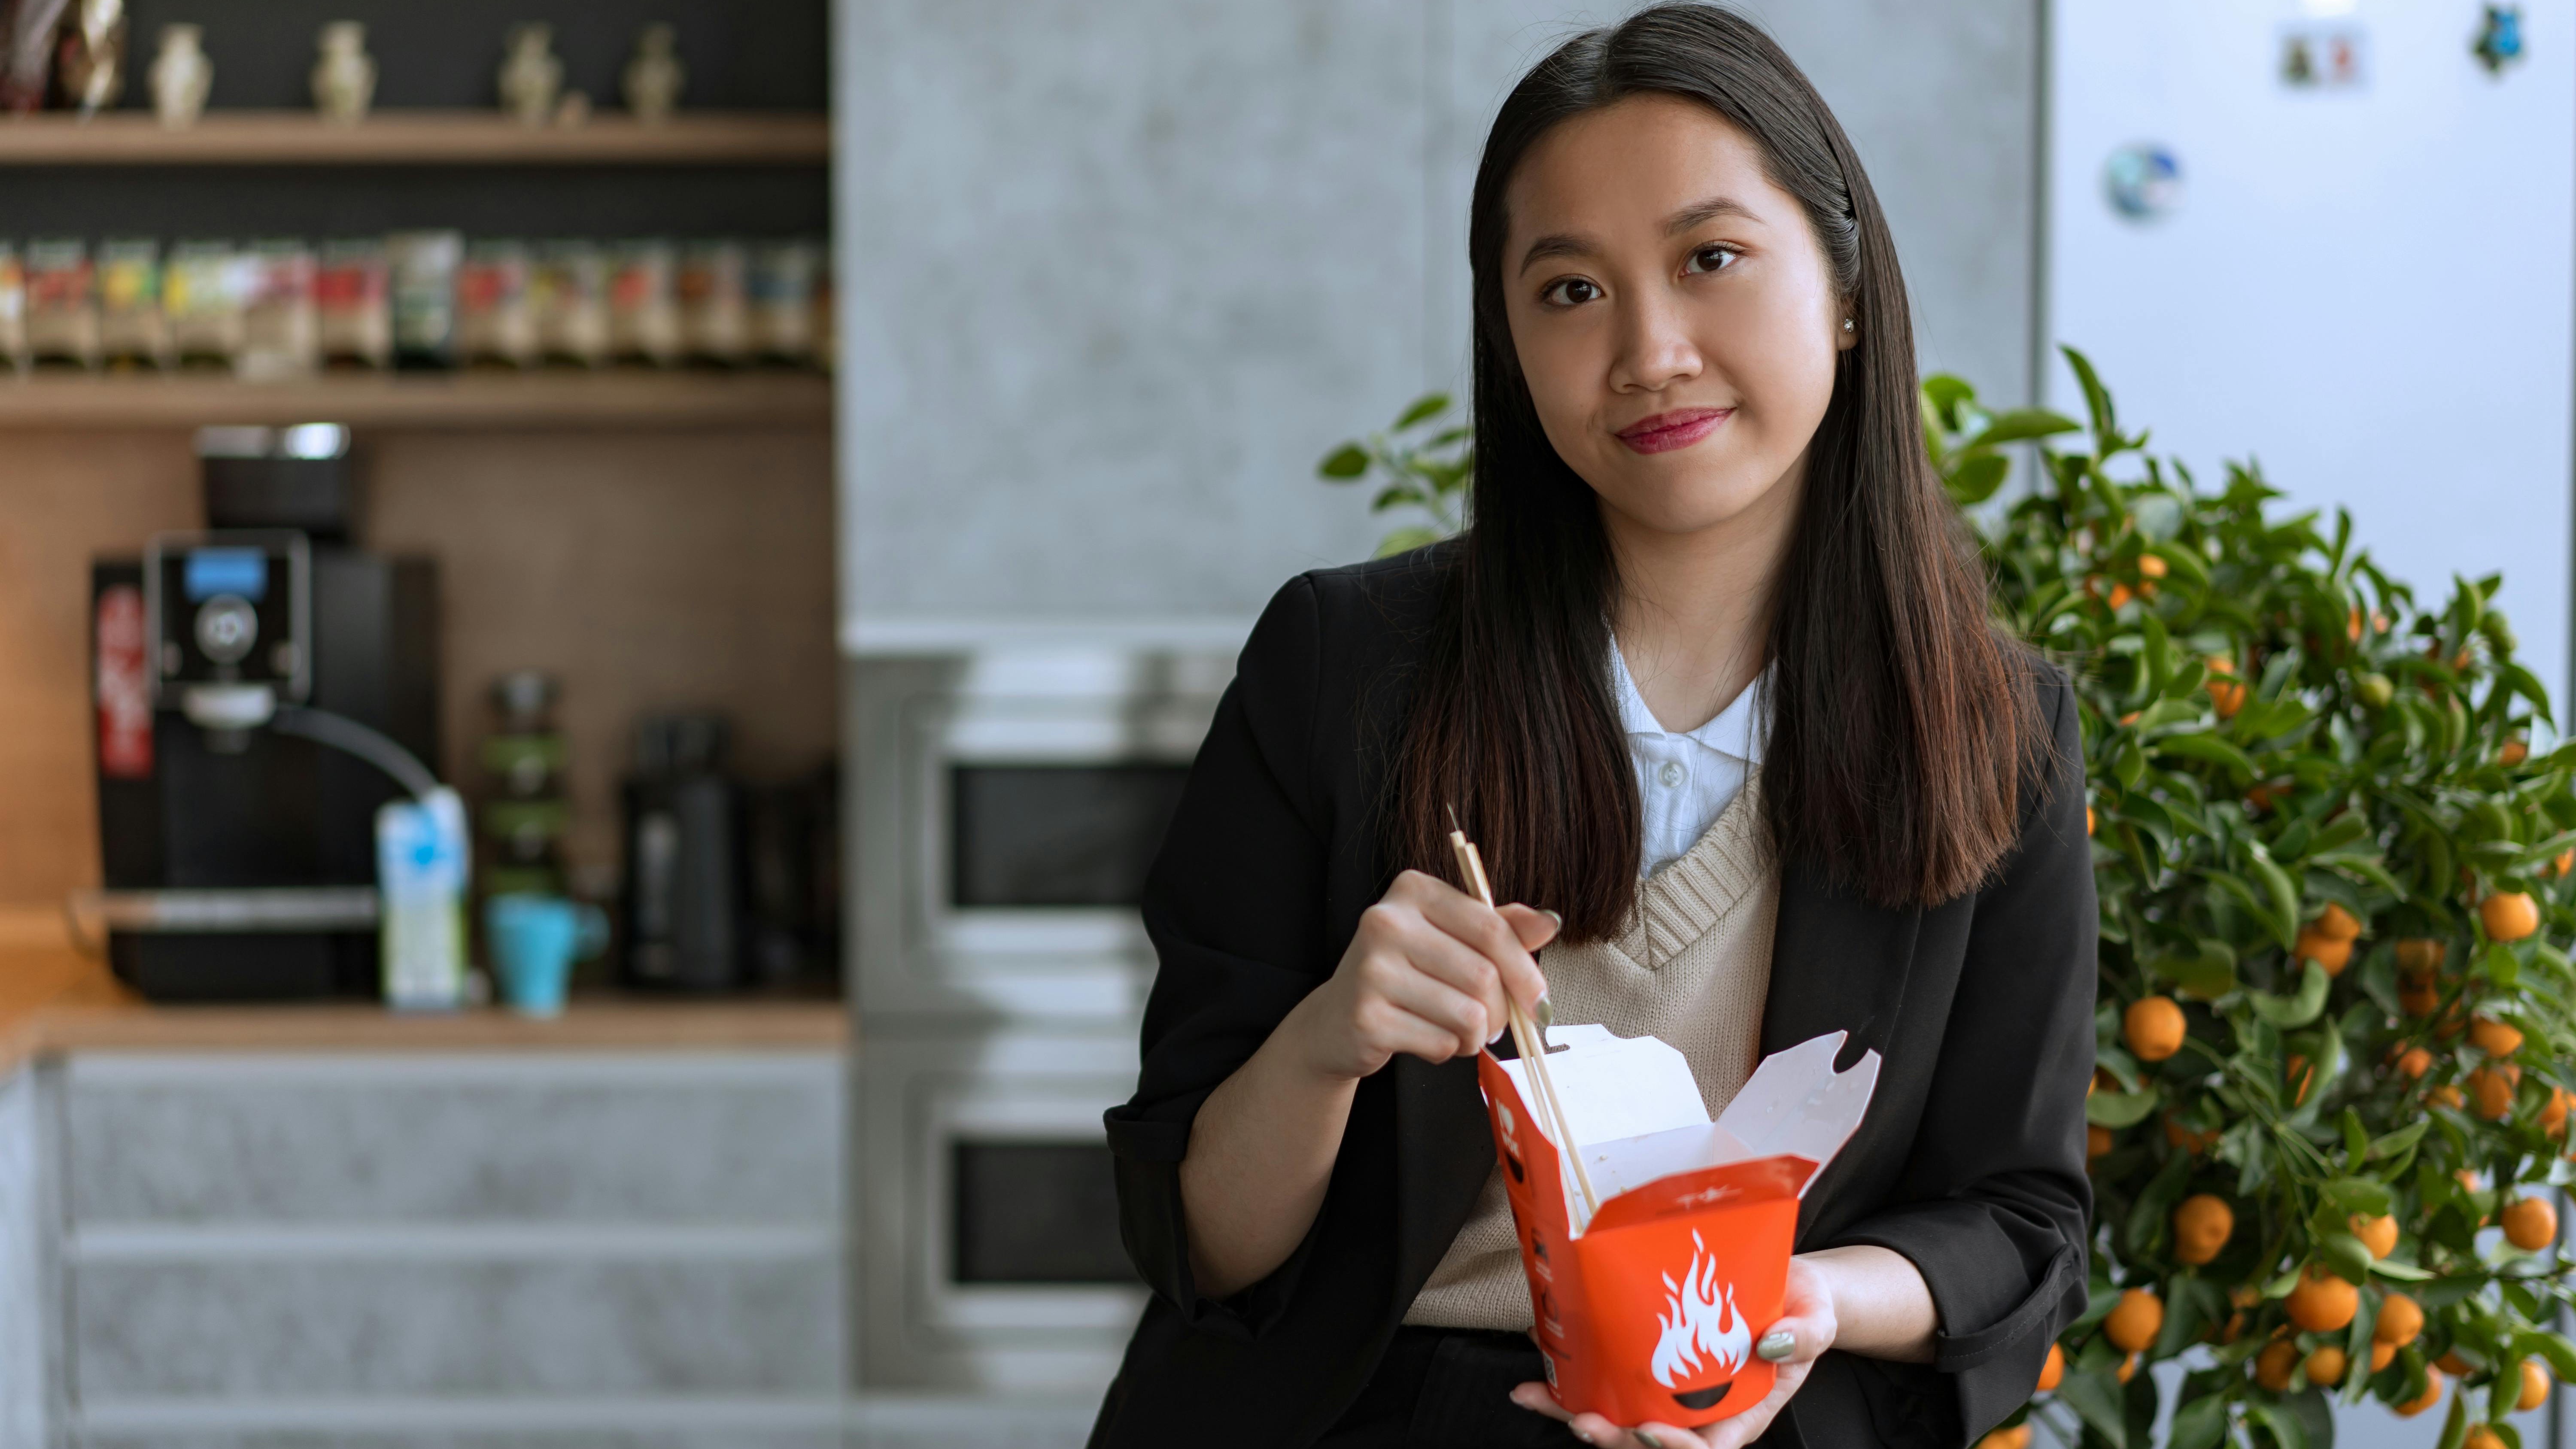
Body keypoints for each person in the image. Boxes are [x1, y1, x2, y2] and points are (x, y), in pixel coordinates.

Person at [1090, 7, 2096, 1446]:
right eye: (1570, 290)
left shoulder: (1996, 729)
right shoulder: (1341, 665)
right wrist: (1326, 1042)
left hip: (1756, 1410)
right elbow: (1203, 1245)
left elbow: (2019, 1218)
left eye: (1710, 259)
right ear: (1510, 341)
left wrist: (1808, 1300)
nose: (1650, 351)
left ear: (1846, 289)